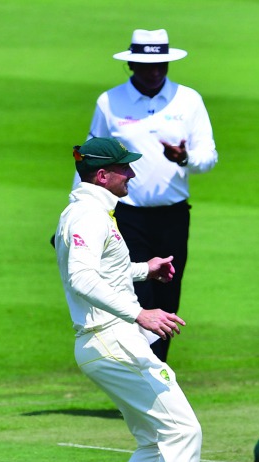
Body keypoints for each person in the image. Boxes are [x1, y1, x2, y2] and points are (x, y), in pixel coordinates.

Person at [55, 137, 219, 462]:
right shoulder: (88, 213)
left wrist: (144, 269)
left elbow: (102, 271)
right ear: (102, 175)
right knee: (184, 429)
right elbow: (81, 278)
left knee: (155, 441)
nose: (132, 175)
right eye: (124, 169)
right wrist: (141, 311)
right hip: (109, 340)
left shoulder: (93, 211)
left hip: (108, 341)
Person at [81, 28, 218, 362]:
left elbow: (209, 157)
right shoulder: (109, 102)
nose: (154, 71)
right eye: (146, 65)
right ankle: (142, 374)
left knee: (168, 302)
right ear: (131, 65)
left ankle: (158, 376)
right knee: (137, 299)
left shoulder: (189, 100)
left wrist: (184, 158)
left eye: (161, 65)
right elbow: (90, 159)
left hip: (173, 216)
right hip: (126, 215)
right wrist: (77, 211)